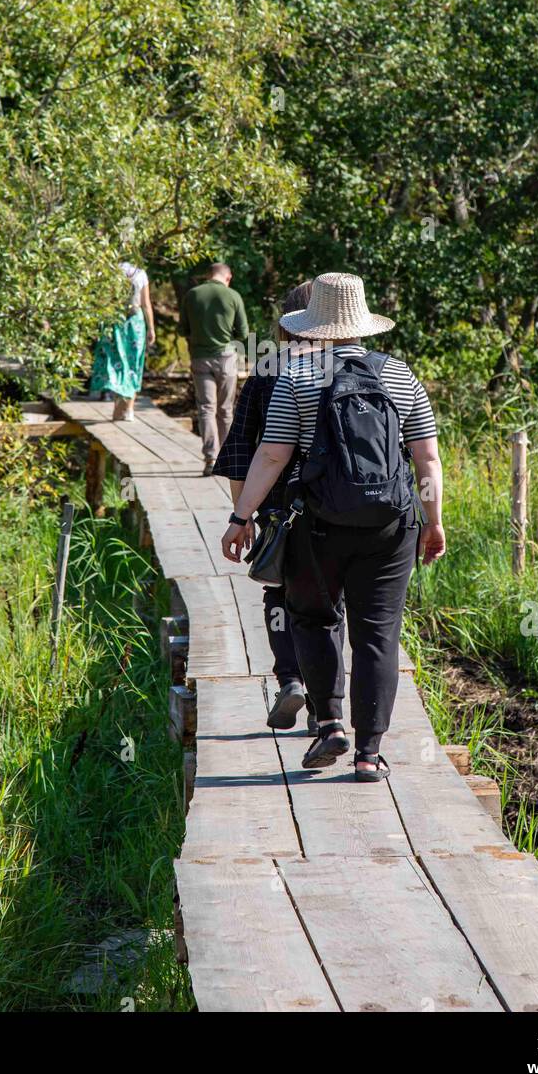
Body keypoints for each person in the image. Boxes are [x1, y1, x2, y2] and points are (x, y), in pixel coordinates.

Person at [221, 272, 445, 782]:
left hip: (317, 525)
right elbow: (426, 459)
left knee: (315, 619)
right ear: (363, 325)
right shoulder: (399, 375)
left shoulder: (297, 377)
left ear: (314, 324)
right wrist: (434, 522)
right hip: (391, 526)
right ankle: (370, 754)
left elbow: (273, 454)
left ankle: (329, 725)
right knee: (377, 635)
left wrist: (241, 518)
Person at [212, 280, 329, 736]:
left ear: (286, 323)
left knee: (278, 592)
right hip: (337, 506)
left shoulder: (266, 373)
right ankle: (325, 703)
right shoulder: (348, 367)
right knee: (328, 603)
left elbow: (242, 453)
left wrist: (241, 517)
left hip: (278, 508)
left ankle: (291, 680)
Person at [180, 262, 248, 476]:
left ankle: (211, 459)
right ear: (228, 277)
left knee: (206, 409)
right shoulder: (233, 296)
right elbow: (243, 333)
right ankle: (227, 461)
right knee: (225, 410)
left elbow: (183, 329)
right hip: (227, 357)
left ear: (208, 275)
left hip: (201, 358)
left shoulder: (192, 295)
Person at [90, 262, 155, 421]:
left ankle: (118, 404)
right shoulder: (140, 274)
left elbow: (101, 301)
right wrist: (151, 328)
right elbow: (146, 304)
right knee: (133, 364)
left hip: (114, 321)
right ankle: (128, 409)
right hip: (135, 323)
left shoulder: (109, 270)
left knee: (114, 361)